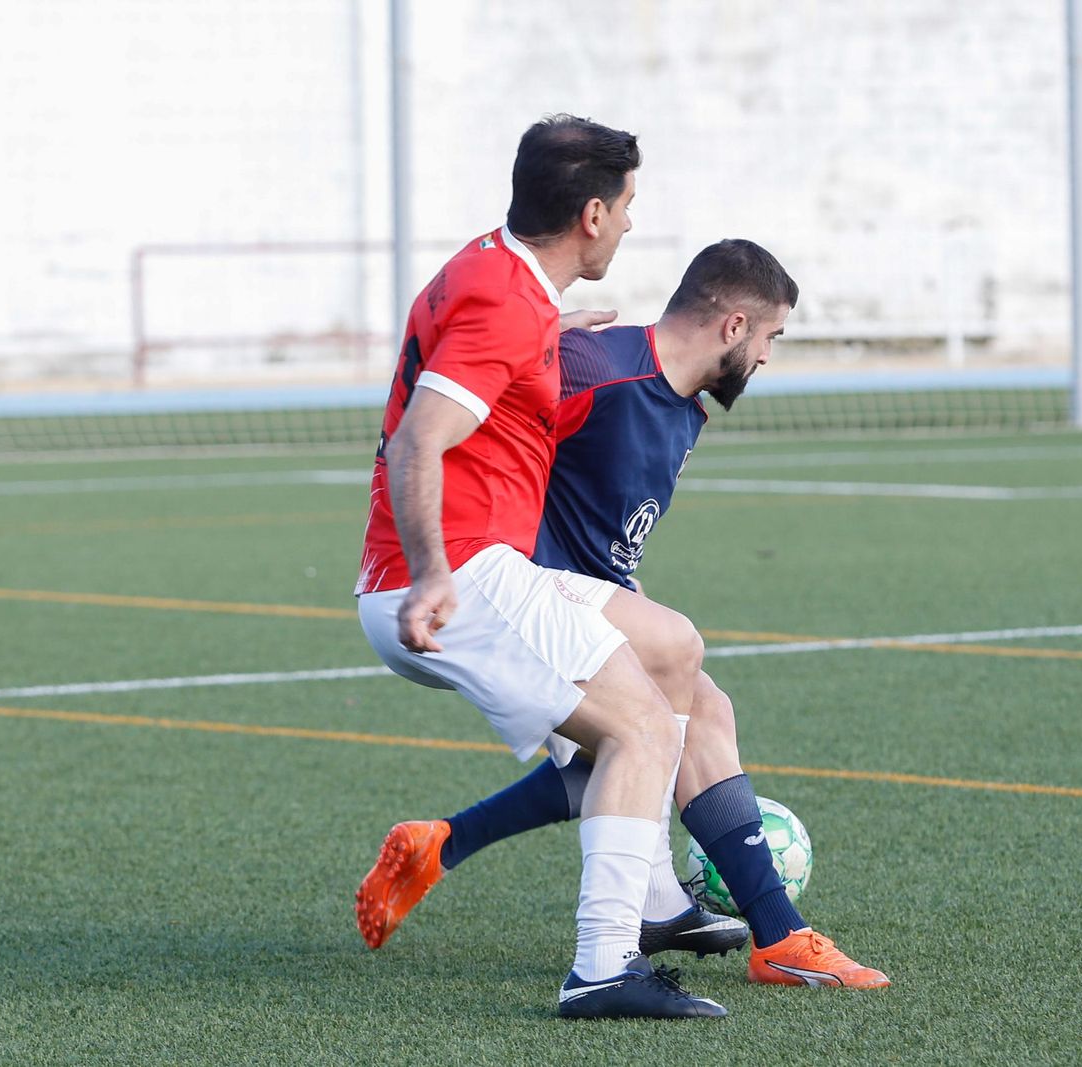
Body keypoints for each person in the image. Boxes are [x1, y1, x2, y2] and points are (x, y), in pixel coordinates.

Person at [358, 239, 889, 989]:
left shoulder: (681, 412)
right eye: (772, 336)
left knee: (675, 717)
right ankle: (768, 935)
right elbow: (461, 424)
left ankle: (454, 847)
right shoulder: (598, 369)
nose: (769, 357)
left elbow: (601, 533)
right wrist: (440, 564)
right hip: (511, 595)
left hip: (578, 590)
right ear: (734, 327)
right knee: (682, 703)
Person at [354, 114, 725, 1020]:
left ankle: (654, 907)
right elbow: (416, 443)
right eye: (629, 204)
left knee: (656, 686)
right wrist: (438, 570)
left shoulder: (486, 271)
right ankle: (604, 966)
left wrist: (544, 332)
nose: (632, 222)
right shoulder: (503, 302)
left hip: (463, 573)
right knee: (643, 730)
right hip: (460, 578)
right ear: (592, 214)